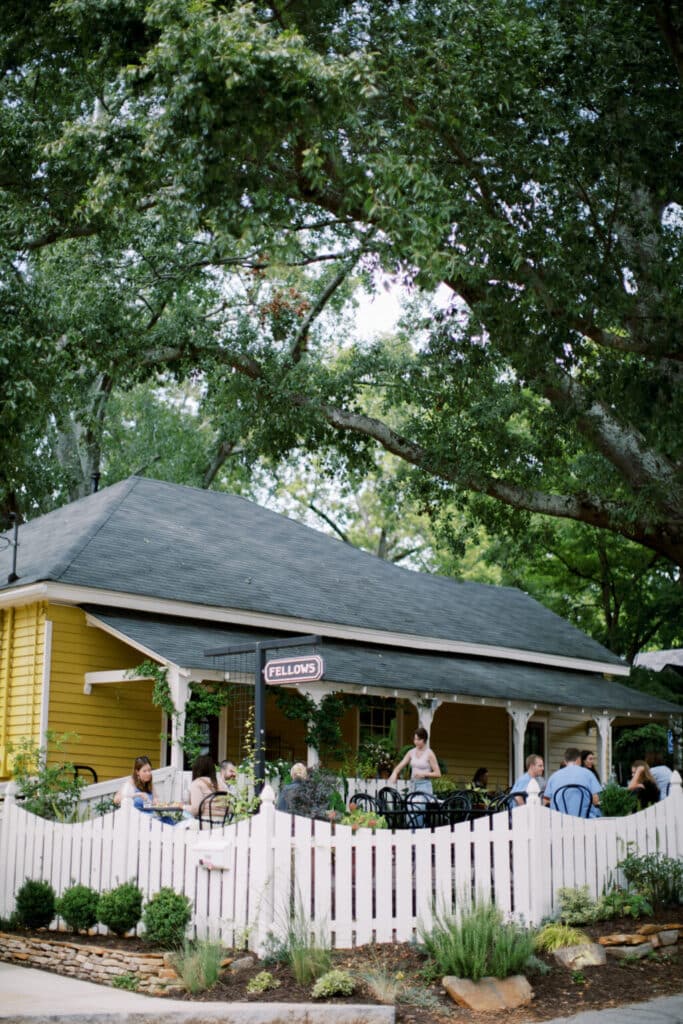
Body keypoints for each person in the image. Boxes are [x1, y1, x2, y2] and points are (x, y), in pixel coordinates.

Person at [543, 747, 602, 817]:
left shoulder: (553, 776)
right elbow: (595, 800)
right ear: (579, 760)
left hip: (560, 820)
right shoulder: (588, 774)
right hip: (584, 820)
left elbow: (545, 800)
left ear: (565, 761)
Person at [387, 727, 441, 795]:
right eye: (415, 739)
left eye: (419, 739)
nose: (416, 742)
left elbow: (438, 774)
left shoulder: (429, 754)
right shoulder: (411, 752)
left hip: (424, 786)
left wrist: (424, 774)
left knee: (418, 804)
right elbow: (400, 766)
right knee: (410, 805)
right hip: (413, 785)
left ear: (424, 739)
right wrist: (394, 773)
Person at [189, 754, 228, 818]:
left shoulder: (197, 783)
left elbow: (196, 810)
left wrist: (182, 806)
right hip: (223, 824)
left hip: (205, 823)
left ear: (196, 769)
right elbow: (229, 808)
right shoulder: (221, 784)